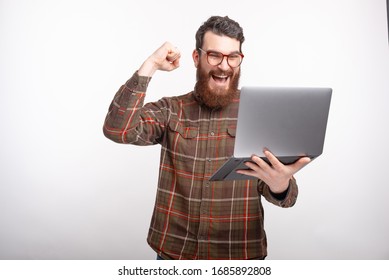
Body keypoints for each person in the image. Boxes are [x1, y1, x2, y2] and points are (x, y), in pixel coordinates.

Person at [103, 15, 310, 260]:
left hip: (239, 258)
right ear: (196, 57)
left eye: (233, 57)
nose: (224, 66)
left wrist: (280, 184)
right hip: (175, 256)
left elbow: (287, 197)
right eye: (214, 55)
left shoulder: (259, 114)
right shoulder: (171, 109)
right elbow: (118, 129)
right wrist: (150, 65)